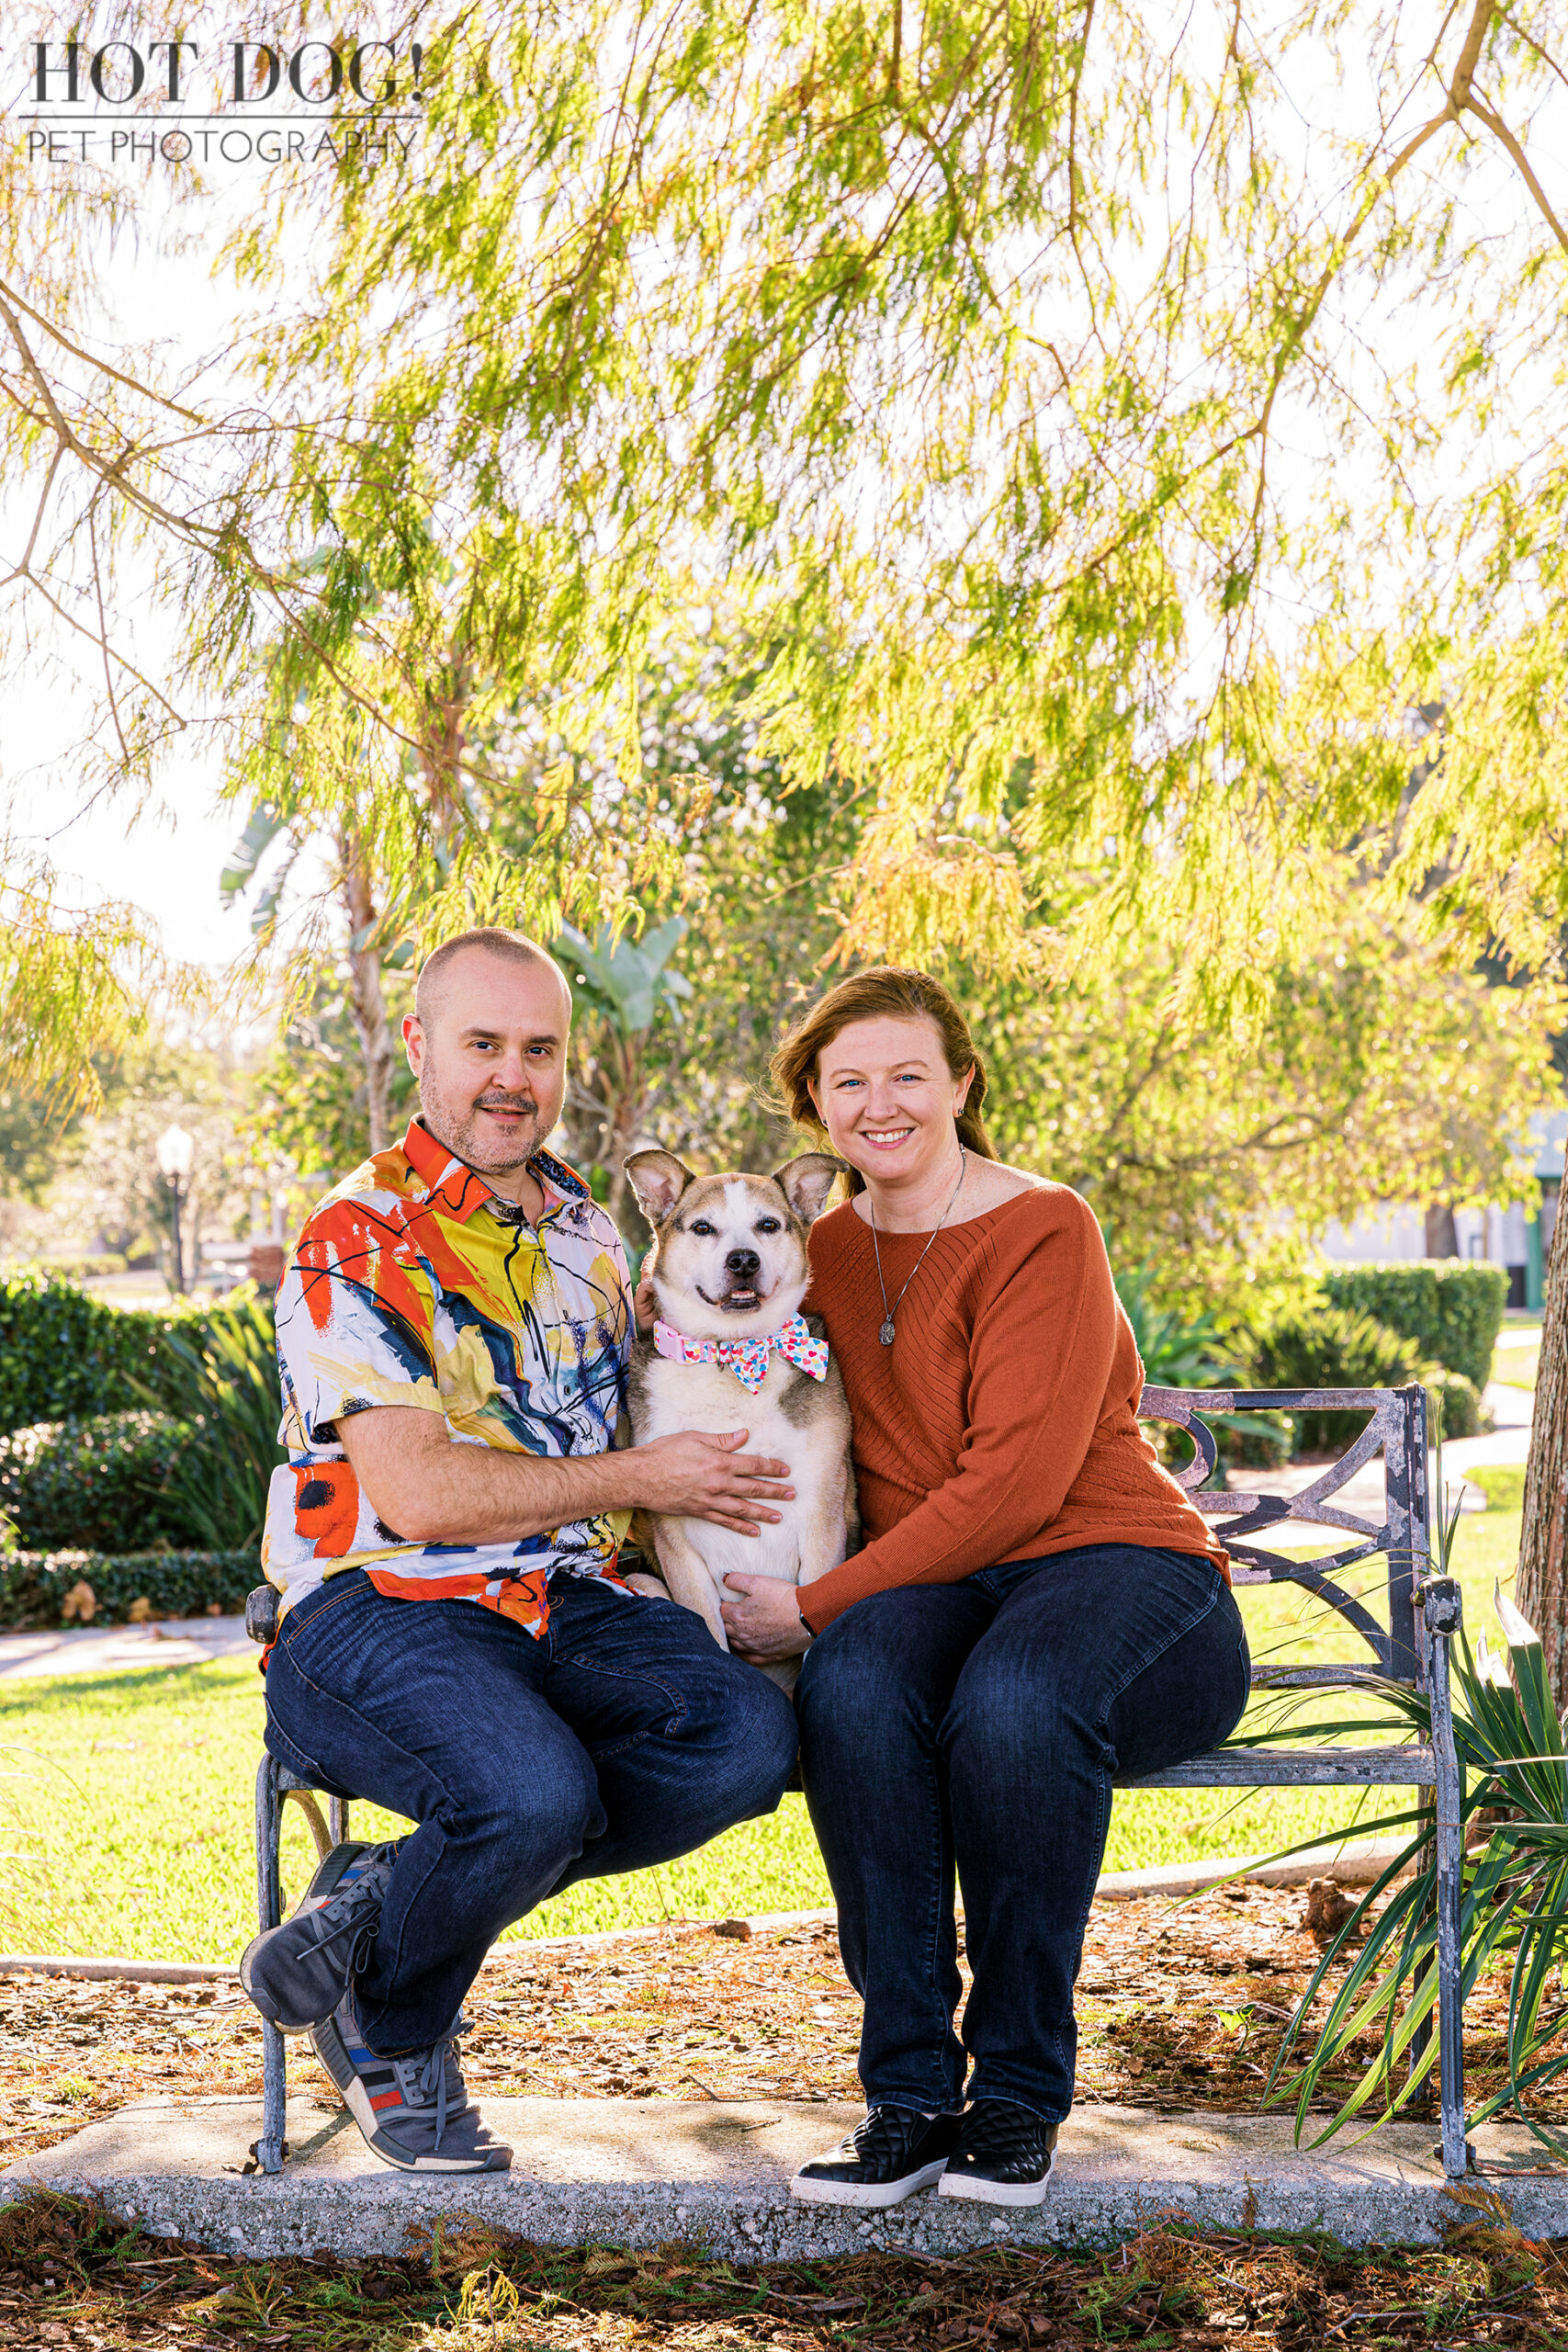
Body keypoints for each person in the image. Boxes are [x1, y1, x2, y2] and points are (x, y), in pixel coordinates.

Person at [242, 926, 799, 2174]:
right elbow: (425, 1496)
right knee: (530, 1795)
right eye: (482, 1043)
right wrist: (639, 1482)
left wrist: (650, 1537)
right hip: (378, 1607)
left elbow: (651, 1423)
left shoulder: (593, 1240)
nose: (512, 1075)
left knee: (746, 1740)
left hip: (567, 1596)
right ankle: (397, 2023)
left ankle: (375, 1907)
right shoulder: (357, 1232)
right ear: (418, 1048)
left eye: (538, 1048)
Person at [717, 967, 1250, 2211]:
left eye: (908, 1074)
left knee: (1012, 1702)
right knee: (851, 1686)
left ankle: (1013, 2095)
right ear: (817, 1108)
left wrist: (813, 1602)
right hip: (944, 1585)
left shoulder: (1043, 1225)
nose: (880, 1103)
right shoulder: (815, 1253)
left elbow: (1015, 1486)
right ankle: (905, 2096)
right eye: (848, 1082)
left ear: (961, 1084)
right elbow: (722, 1387)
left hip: (1119, 1573)